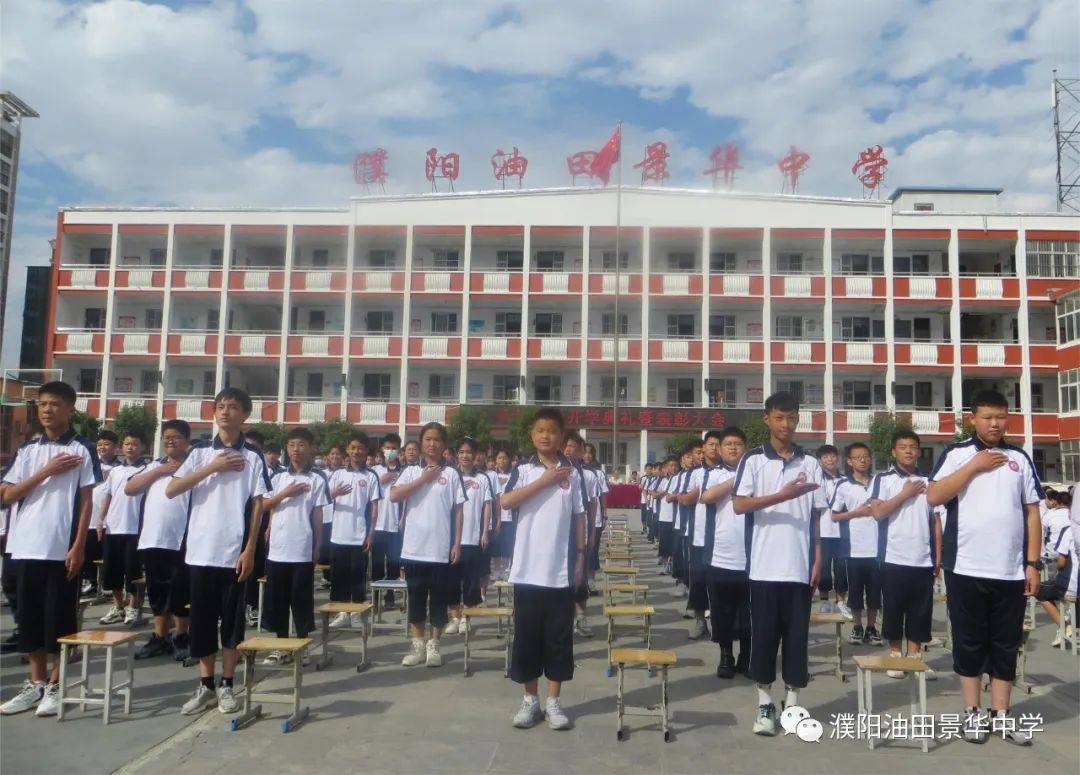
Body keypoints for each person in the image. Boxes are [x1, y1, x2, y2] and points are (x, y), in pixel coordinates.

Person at [927, 389, 1042, 745]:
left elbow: (1032, 512)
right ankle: (973, 714)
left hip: (1010, 570)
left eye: (1002, 416)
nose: (995, 423)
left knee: (1006, 644)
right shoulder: (956, 454)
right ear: (972, 419)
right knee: (970, 642)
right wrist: (974, 467)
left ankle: (1003, 715)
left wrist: (1033, 563)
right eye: (988, 416)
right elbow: (933, 496)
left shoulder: (1019, 458)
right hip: (966, 566)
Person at [166, 387, 270, 715]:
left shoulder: (253, 458)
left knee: (233, 623)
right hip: (199, 552)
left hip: (234, 553)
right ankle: (205, 685)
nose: (225, 412)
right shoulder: (198, 454)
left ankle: (227, 685)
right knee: (202, 621)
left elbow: (258, 505)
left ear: (245, 415)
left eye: (233, 407)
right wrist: (213, 467)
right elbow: (172, 489)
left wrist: (251, 549)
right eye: (221, 406)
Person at [0, 381, 100, 717]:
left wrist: (79, 546)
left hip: (60, 550)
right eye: (42, 404)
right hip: (23, 547)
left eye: (55, 404)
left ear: (70, 409)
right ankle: (36, 683)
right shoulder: (28, 451)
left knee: (59, 621)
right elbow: (8, 495)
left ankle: (56, 686)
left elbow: (87, 502)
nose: (47, 409)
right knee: (28, 621)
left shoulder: (83, 449)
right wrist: (46, 471)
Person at [732, 392, 827, 737]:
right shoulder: (754, 461)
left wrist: (818, 556)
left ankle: (793, 700)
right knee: (765, 638)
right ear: (767, 419)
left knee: (797, 638)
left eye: (792, 418)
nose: (787, 425)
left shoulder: (811, 462)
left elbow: (818, 516)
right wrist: (781, 496)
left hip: (800, 566)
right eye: (780, 418)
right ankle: (764, 702)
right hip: (764, 567)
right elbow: (740, 506)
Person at [499, 408, 587, 731]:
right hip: (527, 570)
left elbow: (580, 517)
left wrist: (580, 558)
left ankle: (554, 701)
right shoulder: (522, 470)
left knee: (559, 638)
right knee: (527, 636)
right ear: (532, 436)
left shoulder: (574, 474)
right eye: (540, 430)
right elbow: (506, 502)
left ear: (562, 436)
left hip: (560, 571)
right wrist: (545, 481)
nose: (546, 435)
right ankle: (529, 700)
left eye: (552, 430)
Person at [389, 422, 465, 668]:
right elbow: (394, 495)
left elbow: (458, 511)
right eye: (428, 439)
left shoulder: (452, 474)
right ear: (421, 443)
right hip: (413, 548)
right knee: (416, 599)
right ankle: (418, 645)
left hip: (440, 549)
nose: (432, 444)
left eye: (437, 440)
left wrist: (457, 543)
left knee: (439, 601)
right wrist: (424, 479)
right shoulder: (411, 472)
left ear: (444, 445)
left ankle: (434, 646)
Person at [868, 430, 942, 679]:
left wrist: (938, 556)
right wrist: (905, 494)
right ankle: (895, 655)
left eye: (913, 447)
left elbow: (936, 522)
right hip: (893, 556)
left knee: (921, 610)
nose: (909, 451)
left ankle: (915, 657)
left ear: (919, 451)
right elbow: (878, 513)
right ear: (893, 451)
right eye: (903, 447)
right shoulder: (884, 479)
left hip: (923, 557)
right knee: (894, 608)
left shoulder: (930, 481)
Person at [124, 420, 194, 660]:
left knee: (180, 591)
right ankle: (160, 636)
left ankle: (182, 635)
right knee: (157, 590)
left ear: (187, 440)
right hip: (152, 538)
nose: (170, 441)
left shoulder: (195, 466)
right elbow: (130, 488)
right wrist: (158, 471)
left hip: (181, 539)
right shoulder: (154, 465)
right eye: (166, 437)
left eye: (176, 437)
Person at [260, 428, 329, 664]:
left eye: (301, 445)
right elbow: (265, 505)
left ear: (310, 448)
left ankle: (301, 645)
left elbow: (318, 516)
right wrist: (285, 494)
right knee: (277, 599)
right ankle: (281, 645)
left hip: (302, 547)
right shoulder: (278, 477)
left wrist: (317, 545)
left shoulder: (317, 478)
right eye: (291, 445)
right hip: (278, 548)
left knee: (300, 599)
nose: (296, 450)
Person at [699, 428, 749, 676]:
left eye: (738, 444)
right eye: (728, 444)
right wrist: (738, 478)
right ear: (719, 449)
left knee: (749, 611)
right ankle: (726, 655)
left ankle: (747, 657)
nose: (732, 448)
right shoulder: (714, 474)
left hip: (752, 556)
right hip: (720, 554)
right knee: (722, 610)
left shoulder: (757, 473)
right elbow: (707, 496)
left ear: (745, 449)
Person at [327, 432, 382, 629]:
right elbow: (324, 499)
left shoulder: (371, 476)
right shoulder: (338, 474)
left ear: (366, 450)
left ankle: (358, 613)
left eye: (360, 448)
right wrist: (335, 493)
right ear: (347, 450)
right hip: (338, 535)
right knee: (339, 576)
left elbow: (374, 507)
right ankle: (342, 613)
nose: (356, 451)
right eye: (353, 448)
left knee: (358, 576)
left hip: (359, 536)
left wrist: (371, 534)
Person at [830, 442, 881, 646]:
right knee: (856, 592)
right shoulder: (843, 486)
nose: (863, 460)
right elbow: (834, 516)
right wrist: (856, 513)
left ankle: (872, 627)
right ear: (849, 461)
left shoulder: (879, 482)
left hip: (877, 548)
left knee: (875, 592)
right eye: (857, 457)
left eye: (866, 456)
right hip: (854, 548)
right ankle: (857, 627)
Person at [97, 433, 148, 627]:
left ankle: (134, 608)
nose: (130, 447)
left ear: (142, 446)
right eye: (127, 443)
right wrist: (101, 519)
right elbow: (108, 496)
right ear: (121, 447)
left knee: (133, 572)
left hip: (135, 528)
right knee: (112, 572)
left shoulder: (147, 468)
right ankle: (118, 607)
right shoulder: (115, 471)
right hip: (113, 527)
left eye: (134, 443)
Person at [445, 438, 492, 634]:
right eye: (462, 452)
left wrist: (484, 531)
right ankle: (455, 617)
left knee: (471, 582)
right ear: (457, 454)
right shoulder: (450, 476)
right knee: (452, 580)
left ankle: (466, 617)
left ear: (476, 456)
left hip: (472, 538)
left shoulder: (482, 479)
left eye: (469, 453)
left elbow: (487, 505)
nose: (465, 456)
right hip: (452, 539)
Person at [563, 431, 598, 637]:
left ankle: (581, 618)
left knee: (580, 578)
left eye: (574, 447)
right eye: (566, 445)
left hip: (581, 531)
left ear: (581, 451)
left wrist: (592, 533)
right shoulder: (556, 471)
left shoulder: (589, 475)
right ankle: (565, 619)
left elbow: (592, 506)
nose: (569, 450)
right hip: (560, 534)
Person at [82, 430, 119, 598]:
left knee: (106, 554)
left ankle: (107, 585)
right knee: (89, 551)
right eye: (100, 444)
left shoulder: (120, 468)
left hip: (108, 520)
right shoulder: (90, 465)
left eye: (107, 444)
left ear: (116, 447)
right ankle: (91, 582)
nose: (102, 447)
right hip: (90, 517)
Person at [814, 444, 850, 618]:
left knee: (842, 569)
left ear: (838, 458)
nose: (830, 459)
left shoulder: (846, 480)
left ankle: (841, 603)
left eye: (832, 456)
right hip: (823, 531)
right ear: (820, 461)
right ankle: (824, 603)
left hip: (842, 531)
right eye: (825, 457)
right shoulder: (816, 481)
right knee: (824, 570)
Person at [370, 433, 405, 602]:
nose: (390, 451)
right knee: (376, 563)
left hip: (395, 525)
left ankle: (390, 595)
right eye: (387, 448)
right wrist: (380, 481)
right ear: (382, 450)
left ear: (399, 451)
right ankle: (376, 597)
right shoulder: (375, 471)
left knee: (393, 563)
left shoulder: (404, 471)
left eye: (393, 448)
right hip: (377, 525)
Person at [491, 447, 516, 580]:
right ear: (495, 460)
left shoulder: (514, 475)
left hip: (510, 516)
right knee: (496, 544)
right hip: (496, 516)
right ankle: (496, 569)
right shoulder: (491, 475)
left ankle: (507, 569)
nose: (502, 461)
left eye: (505, 458)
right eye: (499, 458)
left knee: (508, 543)